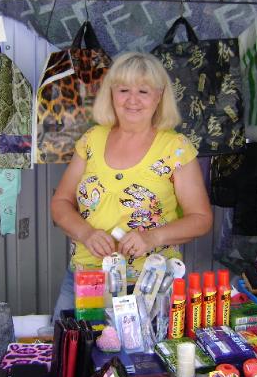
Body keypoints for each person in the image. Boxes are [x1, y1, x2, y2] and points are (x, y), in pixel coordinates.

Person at [50, 51, 213, 320]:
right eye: (124, 90)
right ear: (111, 94)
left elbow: (201, 219)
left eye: (143, 91)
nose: (132, 100)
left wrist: (152, 238)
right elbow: (60, 203)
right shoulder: (91, 139)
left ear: (159, 96)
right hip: (87, 278)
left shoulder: (175, 148)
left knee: (143, 350)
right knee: (70, 346)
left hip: (150, 285)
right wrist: (86, 233)